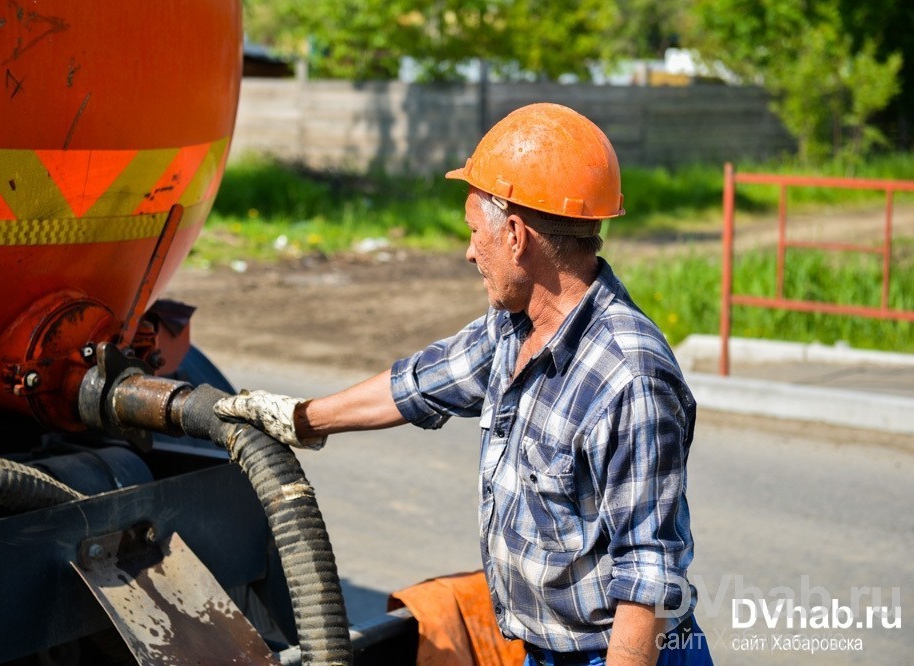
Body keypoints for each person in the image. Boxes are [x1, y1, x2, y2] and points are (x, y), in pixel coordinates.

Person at [214, 103, 712, 666]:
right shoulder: (512, 329)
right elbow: (417, 385)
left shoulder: (629, 377)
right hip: (545, 651)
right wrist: (297, 418)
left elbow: (646, 585)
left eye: (476, 231)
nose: (470, 251)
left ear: (518, 236)